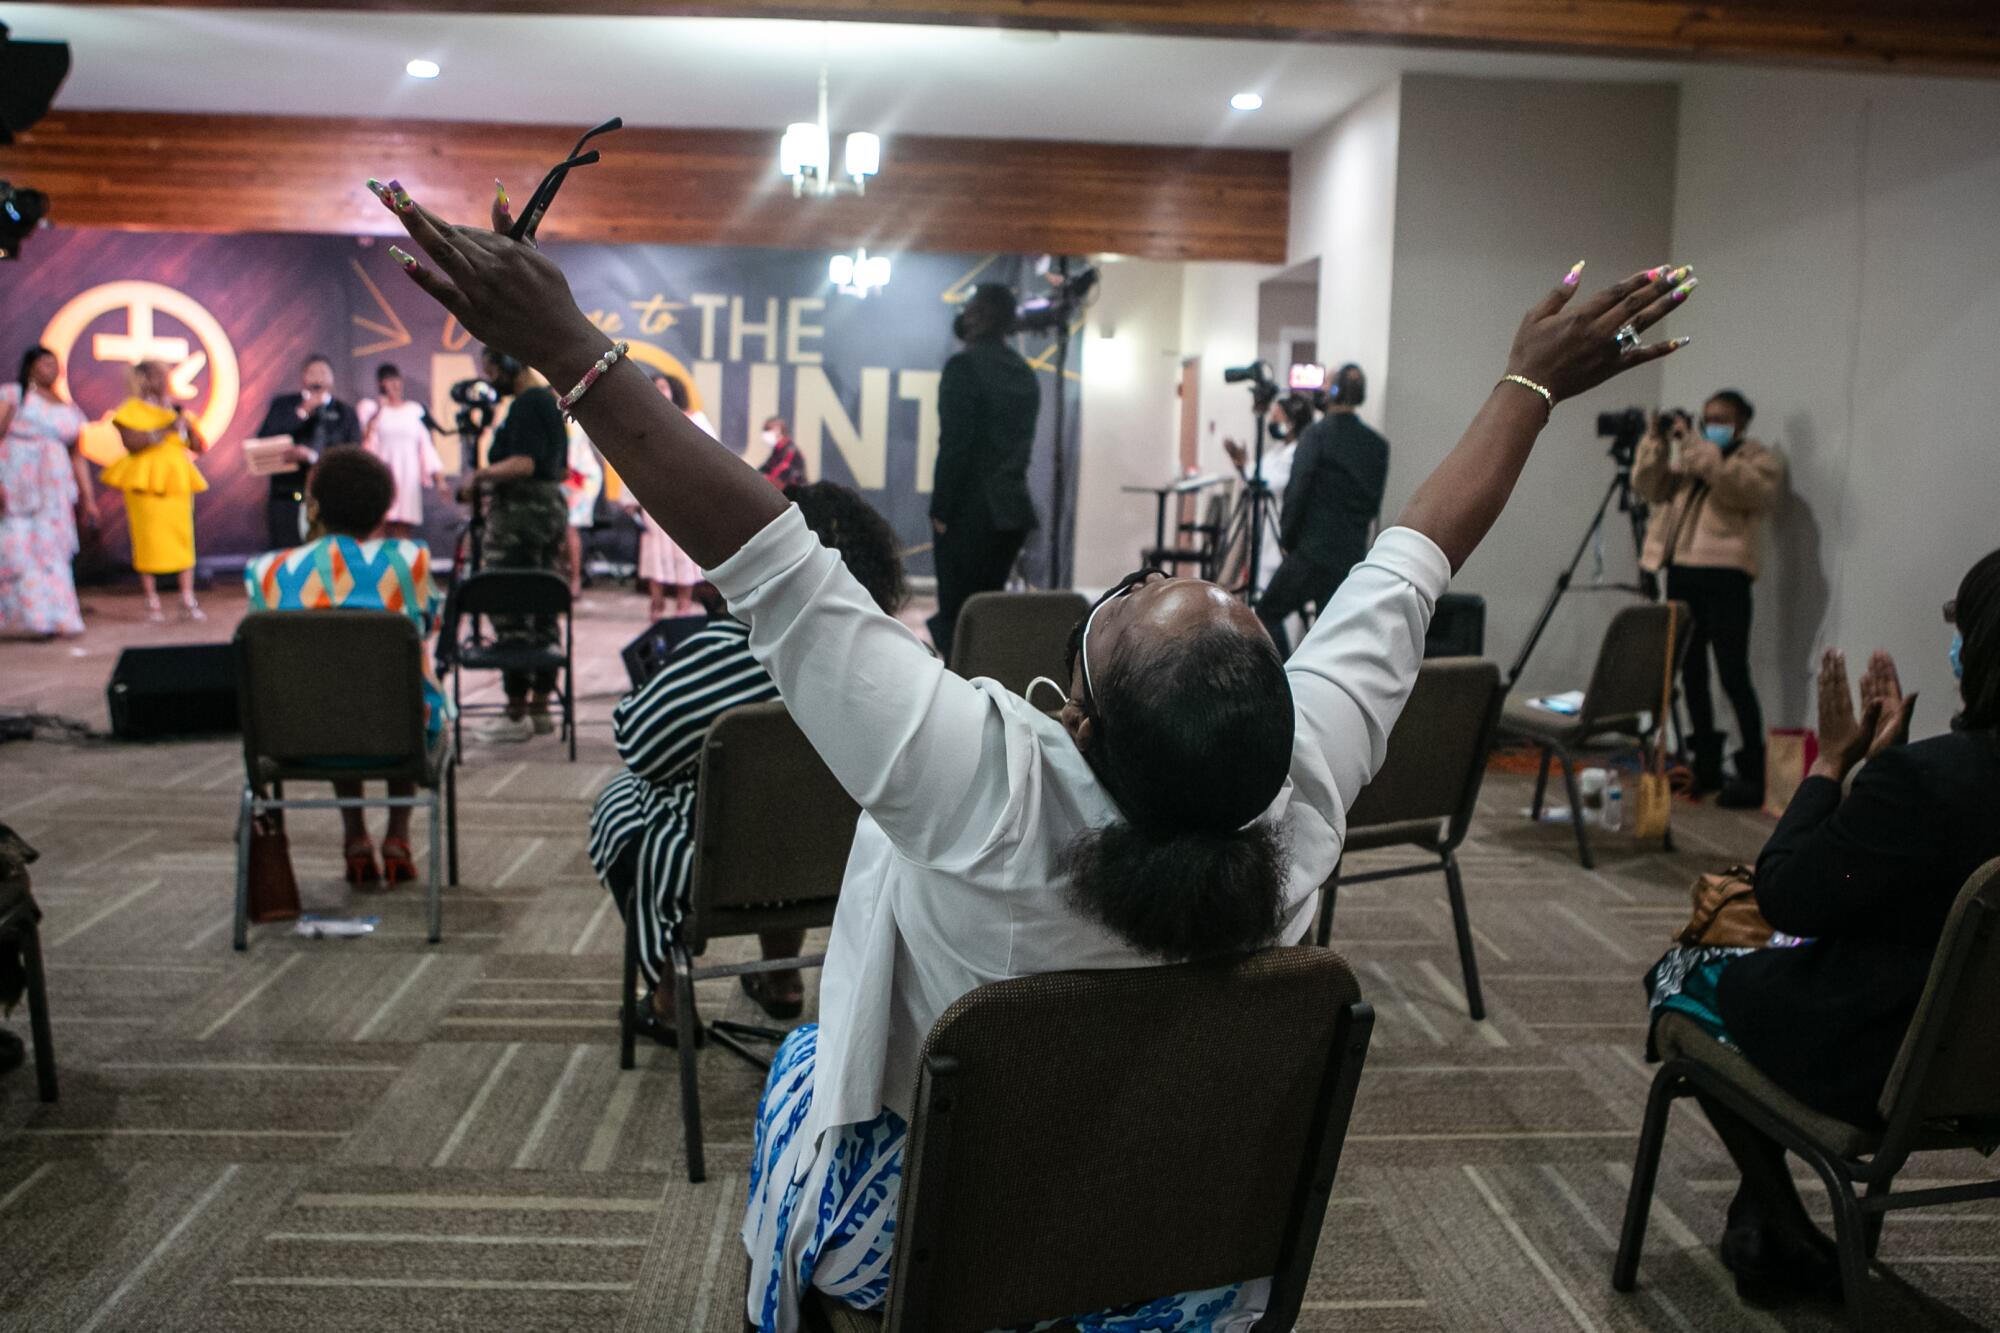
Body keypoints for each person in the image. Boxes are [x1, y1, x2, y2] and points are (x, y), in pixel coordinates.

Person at [377, 183, 1691, 1329]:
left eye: (1112, 613)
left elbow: (768, 557)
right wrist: (1527, 385)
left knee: (794, 1077)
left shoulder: (978, 782)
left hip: (954, 1239)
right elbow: (1416, 555)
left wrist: (561, 341)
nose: (1116, 593)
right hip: (1178, 1229)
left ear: (1078, 717)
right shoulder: (1298, 789)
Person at [1644, 550, 1999, 1305]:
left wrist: (1834, 766)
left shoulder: (1931, 782)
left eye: (1962, 633)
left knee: (1682, 973)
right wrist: (1885, 781)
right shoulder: (1926, 783)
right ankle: (1762, 1223)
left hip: (1884, 1061)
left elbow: (1787, 895)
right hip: (1981, 1065)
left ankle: (1782, 1222)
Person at [589, 481, 909, 1044]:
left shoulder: (726, 652)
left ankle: (668, 999)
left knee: (622, 801)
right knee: (800, 801)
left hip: (723, 871)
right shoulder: (905, 660)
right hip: (850, 865)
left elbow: (638, 746)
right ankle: (782, 977)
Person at [245, 448, 448, 885]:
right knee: (388, 686)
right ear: (381, 513)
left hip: (295, 735)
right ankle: (397, 835)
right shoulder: (407, 562)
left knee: (327, 684)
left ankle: (354, 835)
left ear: (313, 506)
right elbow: (431, 622)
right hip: (397, 732)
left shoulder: (265, 571)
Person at [1633, 390, 1783, 805]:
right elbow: (1648, 486)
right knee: (1690, 671)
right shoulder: (1692, 459)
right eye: (1706, 417)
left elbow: (1739, 489)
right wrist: (1655, 442)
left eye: (1721, 418)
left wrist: (1691, 443)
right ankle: (1706, 765)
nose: (1711, 424)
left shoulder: (1757, 461)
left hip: (1726, 576)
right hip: (1681, 571)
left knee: (1732, 672)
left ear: (1742, 422)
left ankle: (1752, 770)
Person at [459, 347, 568, 743]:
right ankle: (539, 707)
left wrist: (479, 477)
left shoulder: (527, 404)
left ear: (509, 364)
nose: (490, 382)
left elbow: (522, 463)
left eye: (491, 372)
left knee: (511, 606)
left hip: (520, 519)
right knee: (542, 608)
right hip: (543, 514)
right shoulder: (544, 401)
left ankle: (516, 708)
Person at [927, 282, 1040, 660]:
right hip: (1011, 513)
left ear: (974, 315)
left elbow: (956, 445)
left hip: (968, 514)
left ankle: (958, 702)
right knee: (987, 617)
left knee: (958, 623)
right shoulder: (1024, 373)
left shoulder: (963, 368)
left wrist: (941, 509)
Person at [1257, 364, 1390, 656]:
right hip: (1350, 556)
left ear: (1334, 392)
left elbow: (1297, 491)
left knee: (1265, 614)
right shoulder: (1378, 446)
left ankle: (1284, 681)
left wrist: (1287, 541)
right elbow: (1372, 504)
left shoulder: (1316, 435)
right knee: (1330, 634)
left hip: (1310, 553)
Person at [103, 361, 209, 622]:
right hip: (145, 479)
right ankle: (152, 602)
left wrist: (187, 426)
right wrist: (164, 430)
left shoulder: (176, 410)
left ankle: (187, 598)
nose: (163, 381)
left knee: (183, 536)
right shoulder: (131, 410)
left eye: (165, 376)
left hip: (176, 479)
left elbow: (198, 446)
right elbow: (132, 443)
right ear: (144, 379)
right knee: (147, 538)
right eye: (157, 376)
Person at [0, 346, 92, 637]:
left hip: (54, 488)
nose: (50, 368)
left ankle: (58, 616)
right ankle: (26, 617)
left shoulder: (67, 408)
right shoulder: (15, 396)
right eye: (44, 363)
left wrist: (88, 498)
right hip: (17, 481)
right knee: (19, 546)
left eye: (55, 364)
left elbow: (78, 455)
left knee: (52, 549)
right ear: (30, 366)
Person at [254, 354, 362, 551]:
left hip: (328, 497)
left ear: (332, 379)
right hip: (287, 495)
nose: (318, 378)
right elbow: (264, 439)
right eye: (312, 372)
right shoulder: (284, 405)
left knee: (327, 555)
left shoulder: (345, 413)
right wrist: (303, 412)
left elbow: (353, 453)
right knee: (286, 555)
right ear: (302, 377)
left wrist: (313, 457)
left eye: (323, 373)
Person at [1223, 391, 1315, 597]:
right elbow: (1256, 475)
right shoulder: (1279, 449)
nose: (1272, 421)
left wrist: (1246, 466)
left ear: (1292, 421)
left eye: (1277, 416)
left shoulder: (1297, 453)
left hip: (1278, 531)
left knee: (1268, 592)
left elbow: (1268, 483)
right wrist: (1243, 465)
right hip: (1262, 530)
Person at [635, 372, 707, 620]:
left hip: (686, 497)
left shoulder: (695, 419)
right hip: (654, 495)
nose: (660, 391)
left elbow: (712, 456)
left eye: (664, 387)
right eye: (655, 387)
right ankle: (656, 604)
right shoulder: (644, 420)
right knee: (655, 551)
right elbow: (633, 459)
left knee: (683, 551)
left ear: (675, 390)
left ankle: (683, 605)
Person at [359, 362, 447, 540]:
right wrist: (379, 409)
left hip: (407, 477)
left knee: (403, 529)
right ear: (381, 384)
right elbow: (365, 442)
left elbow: (426, 447)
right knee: (378, 526)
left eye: (397, 380)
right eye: (389, 381)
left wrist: (440, 480)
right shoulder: (370, 408)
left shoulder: (414, 410)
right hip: (382, 477)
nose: (395, 385)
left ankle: (401, 566)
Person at [562, 420, 605, 598]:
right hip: (569, 476)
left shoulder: (571, 423)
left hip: (579, 477)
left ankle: (574, 580)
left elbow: (571, 456)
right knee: (564, 528)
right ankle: (568, 576)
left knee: (569, 527)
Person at [756, 416, 807, 491]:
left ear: (777, 430)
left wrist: (762, 479)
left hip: (793, 494)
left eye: (767, 429)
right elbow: (765, 467)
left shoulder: (790, 451)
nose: (765, 433)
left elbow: (780, 473)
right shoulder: (777, 450)